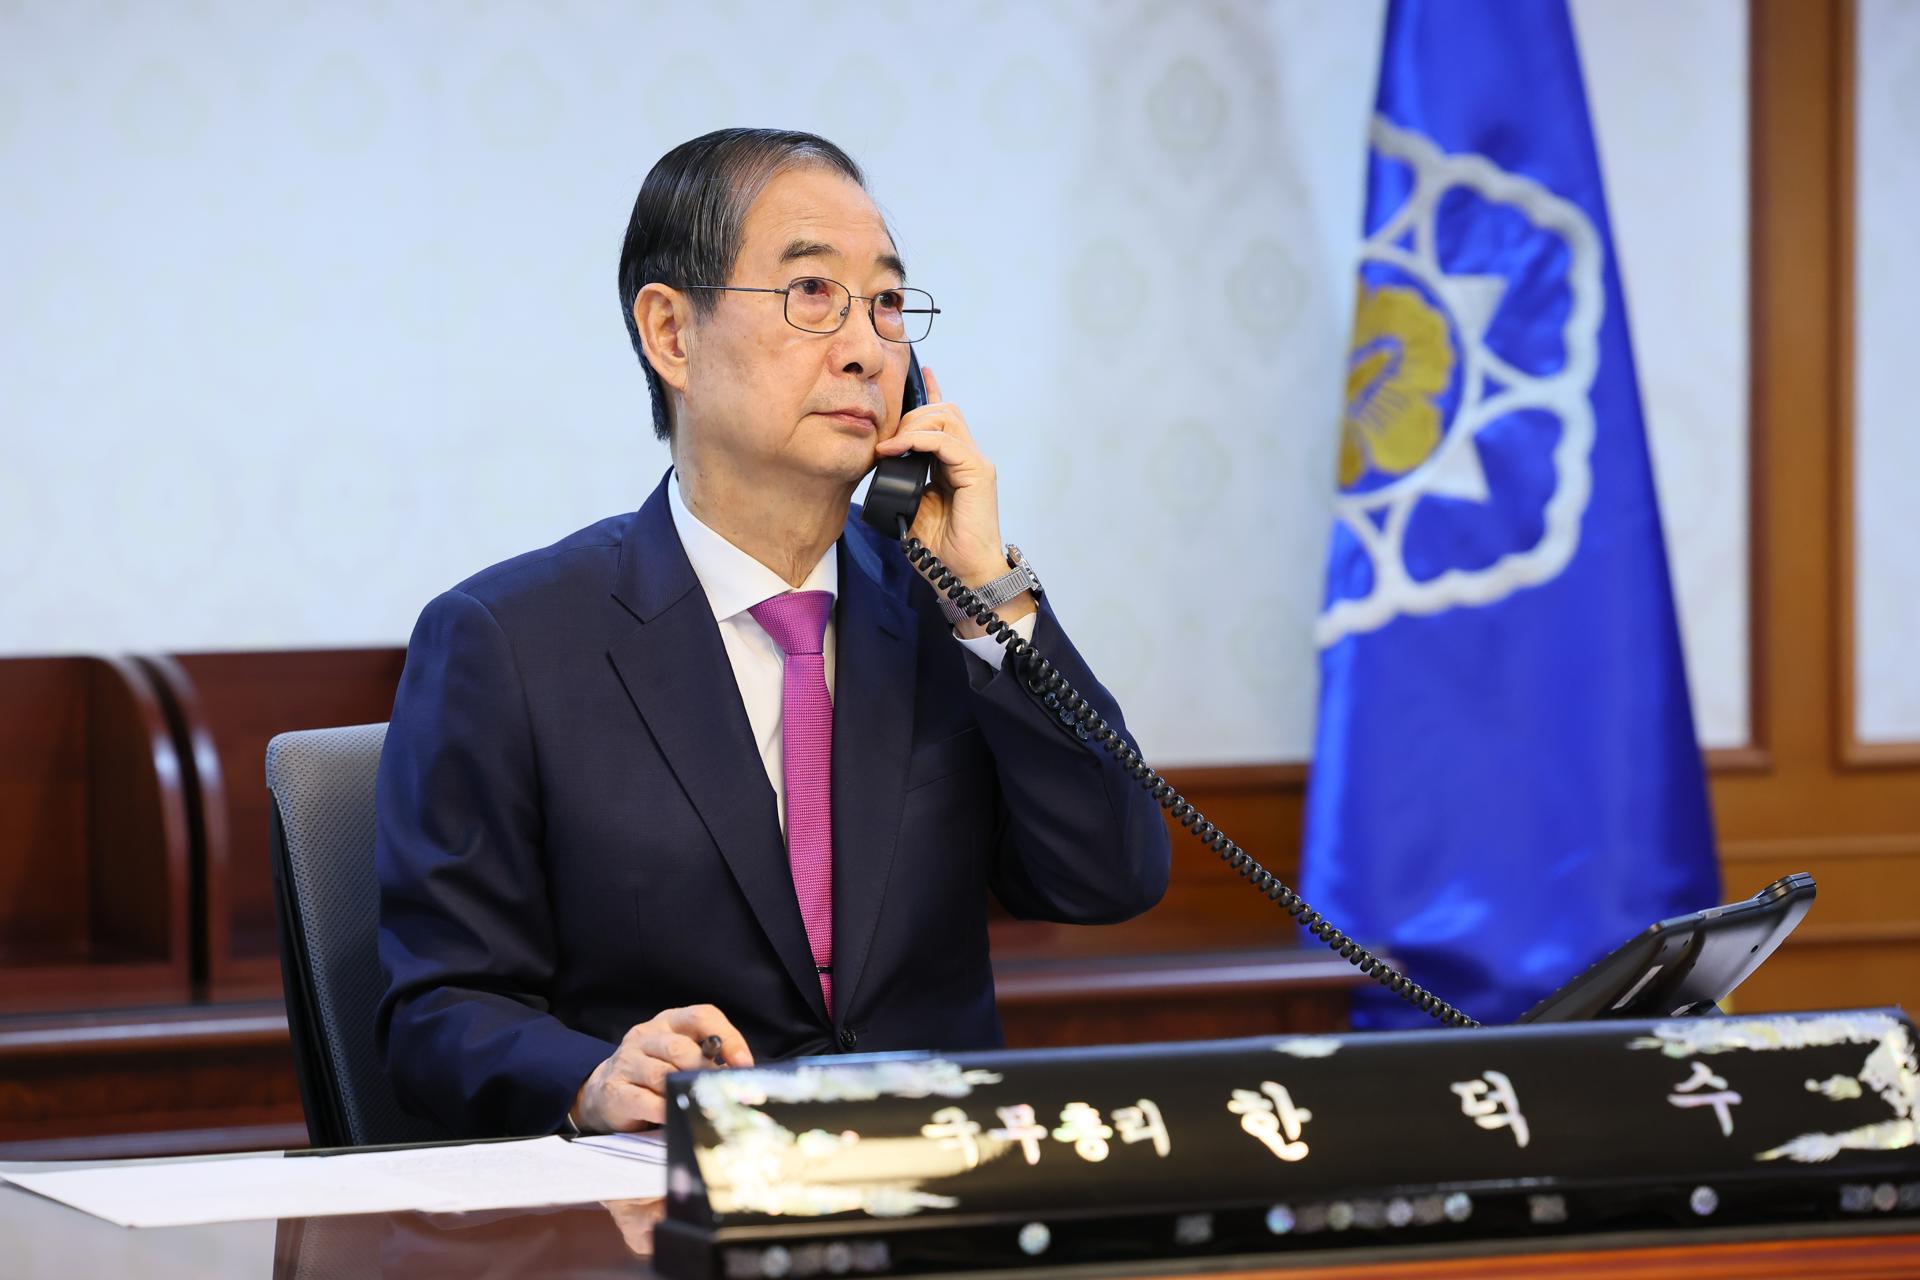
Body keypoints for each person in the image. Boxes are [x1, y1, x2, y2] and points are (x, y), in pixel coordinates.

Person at [375, 128, 1171, 1138]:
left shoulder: (946, 620)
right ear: (671, 335)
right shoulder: (508, 642)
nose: (864, 347)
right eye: (811, 295)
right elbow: (434, 1011)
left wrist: (994, 602)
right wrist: (592, 1076)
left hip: (934, 1203)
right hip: (661, 1213)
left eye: (886, 303)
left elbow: (1110, 876)